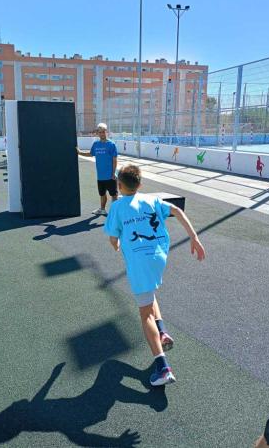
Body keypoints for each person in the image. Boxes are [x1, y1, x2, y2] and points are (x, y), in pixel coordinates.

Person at [104, 164, 205, 386]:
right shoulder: (152, 200)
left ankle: (163, 368)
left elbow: (112, 237)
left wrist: (116, 244)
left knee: (145, 313)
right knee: (149, 295)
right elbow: (178, 211)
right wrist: (194, 238)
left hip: (139, 262)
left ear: (119, 186)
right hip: (158, 258)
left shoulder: (117, 207)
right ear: (140, 184)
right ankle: (163, 332)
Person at [77, 122, 118, 215]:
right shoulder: (96, 144)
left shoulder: (111, 144)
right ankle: (102, 210)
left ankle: (116, 213)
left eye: (103, 131)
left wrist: (113, 173)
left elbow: (114, 160)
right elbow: (91, 153)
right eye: (100, 132)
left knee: (114, 195)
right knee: (102, 194)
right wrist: (80, 152)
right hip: (100, 176)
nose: (102, 133)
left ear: (106, 132)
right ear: (98, 133)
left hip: (110, 176)